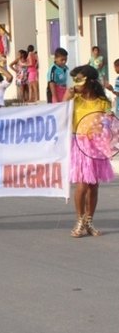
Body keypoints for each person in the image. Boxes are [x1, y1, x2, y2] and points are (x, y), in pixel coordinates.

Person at [65, 65, 114, 237]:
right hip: (79, 143)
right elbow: (60, 115)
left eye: (79, 79)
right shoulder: (74, 99)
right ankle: (79, 220)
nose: (76, 83)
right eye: (75, 79)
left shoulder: (103, 101)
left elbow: (110, 122)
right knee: (82, 184)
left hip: (97, 146)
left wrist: (105, 127)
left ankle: (89, 221)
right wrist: (67, 98)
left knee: (94, 185)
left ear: (90, 82)